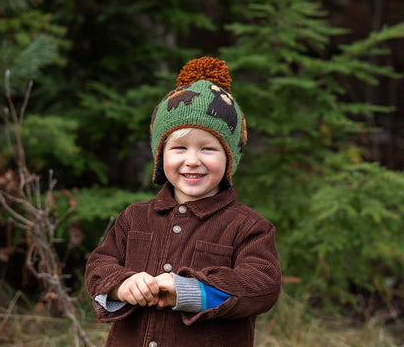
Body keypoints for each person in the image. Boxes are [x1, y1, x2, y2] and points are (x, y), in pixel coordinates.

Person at [84, 56, 281, 347]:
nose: (192, 161)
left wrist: (192, 291)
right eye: (178, 148)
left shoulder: (248, 227)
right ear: (160, 155)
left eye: (208, 148)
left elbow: (262, 286)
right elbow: (99, 265)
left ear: (230, 158)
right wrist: (121, 285)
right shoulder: (134, 218)